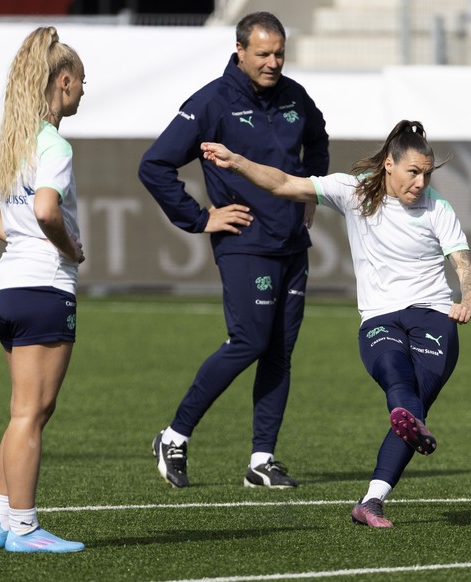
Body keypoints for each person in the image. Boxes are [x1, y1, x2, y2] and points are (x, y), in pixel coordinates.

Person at [200, 119, 471, 527]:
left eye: (427, 173)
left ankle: (371, 501)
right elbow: (282, 183)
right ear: (389, 164)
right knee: (396, 379)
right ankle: (398, 439)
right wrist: (236, 161)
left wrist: (467, 297)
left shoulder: (438, 207)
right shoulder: (353, 191)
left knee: (412, 407)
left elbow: (463, 262)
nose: (421, 182)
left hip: (434, 315)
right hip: (380, 316)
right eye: (413, 172)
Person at [138, 11, 329, 489]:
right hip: (245, 245)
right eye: (263, 54)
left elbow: (318, 140)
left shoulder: (294, 96)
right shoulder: (212, 102)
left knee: (280, 351)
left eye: (279, 53)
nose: (273, 62)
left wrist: (312, 193)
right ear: (240, 51)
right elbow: (155, 165)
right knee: (249, 341)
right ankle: (175, 435)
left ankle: (262, 460)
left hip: (292, 244)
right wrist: (201, 218)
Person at [0, 27, 86, 552]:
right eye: (81, 80)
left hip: (5, 290)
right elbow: (46, 209)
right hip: (42, 287)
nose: (84, 90)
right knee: (30, 413)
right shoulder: (54, 143)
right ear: (63, 80)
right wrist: (68, 247)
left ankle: (2, 519)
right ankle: (25, 529)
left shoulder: (12, 141)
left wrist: (17, 236)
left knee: (24, 411)